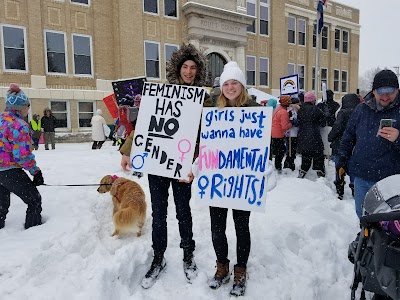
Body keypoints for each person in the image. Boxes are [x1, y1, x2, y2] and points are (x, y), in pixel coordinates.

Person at [120, 44, 212, 288]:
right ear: (178, 68)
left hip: (183, 167)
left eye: (193, 67)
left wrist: (196, 164)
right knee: (159, 214)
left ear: (198, 70)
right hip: (158, 163)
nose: (189, 71)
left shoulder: (204, 98)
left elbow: (209, 134)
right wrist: (128, 150)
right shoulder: (162, 94)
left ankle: (188, 254)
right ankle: (158, 256)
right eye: (185, 66)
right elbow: (145, 124)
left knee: (184, 212)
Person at [203, 61, 261, 297]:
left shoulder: (255, 110)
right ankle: (222, 266)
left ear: (242, 85)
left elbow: (260, 146)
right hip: (218, 179)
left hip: (242, 182)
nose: (230, 87)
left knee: (241, 227)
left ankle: (240, 270)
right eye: (226, 83)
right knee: (217, 227)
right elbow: (204, 142)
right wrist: (200, 165)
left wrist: (262, 168)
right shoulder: (212, 110)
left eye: (234, 82)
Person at [337, 69, 400, 219]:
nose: (385, 96)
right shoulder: (361, 109)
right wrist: (342, 159)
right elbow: (349, 136)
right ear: (374, 91)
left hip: (392, 180)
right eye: (381, 91)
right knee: (363, 214)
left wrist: (398, 138)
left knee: (389, 220)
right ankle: (364, 240)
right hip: (362, 175)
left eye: (390, 91)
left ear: (397, 90)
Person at [0, 84, 45, 229]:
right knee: (34, 200)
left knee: (1, 203)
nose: (28, 109)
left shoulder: (1, 119)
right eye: (27, 106)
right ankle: (33, 233)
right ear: (20, 108)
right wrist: (36, 172)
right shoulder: (19, 125)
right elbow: (22, 155)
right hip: (10, 170)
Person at [328, 93, 360, 199]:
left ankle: (340, 189)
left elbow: (337, 126)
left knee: (340, 167)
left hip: (341, 145)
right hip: (355, 146)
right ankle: (355, 190)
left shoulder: (343, 112)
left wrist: (330, 137)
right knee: (353, 168)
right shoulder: (360, 112)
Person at [296, 91, 326, 178]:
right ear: (313, 100)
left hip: (303, 137)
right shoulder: (317, 110)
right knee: (318, 157)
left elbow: (298, 122)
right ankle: (320, 174)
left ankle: (302, 173)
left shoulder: (300, 110)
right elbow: (323, 123)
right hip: (315, 137)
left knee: (305, 157)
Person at [271, 96, 292, 173]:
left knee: (278, 152)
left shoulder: (278, 109)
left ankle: (277, 167)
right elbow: (284, 126)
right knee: (280, 152)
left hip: (274, 133)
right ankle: (278, 168)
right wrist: (291, 123)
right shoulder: (283, 112)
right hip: (279, 134)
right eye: (289, 102)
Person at [283, 97, 300, 171]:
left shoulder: (288, 109)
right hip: (293, 133)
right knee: (291, 151)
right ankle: (289, 164)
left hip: (288, 133)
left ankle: (289, 164)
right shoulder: (294, 110)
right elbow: (294, 121)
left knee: (290, 150)